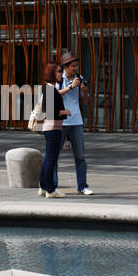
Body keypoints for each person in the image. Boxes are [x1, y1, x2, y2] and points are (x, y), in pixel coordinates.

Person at [57, 49, 93, 195]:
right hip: (60, 122)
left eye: (76, 66)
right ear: (65, 67)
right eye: (73, 66)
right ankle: (52, 185)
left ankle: (83, 186)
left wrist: (84, 91)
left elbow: (84, 102)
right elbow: (55, 95)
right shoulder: (58, 78)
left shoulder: (79, 78)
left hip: (76, 121)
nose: (75, 69)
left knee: (80, 156)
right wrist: (70, 86)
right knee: (54, 156)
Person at [37, 61, 70, 198]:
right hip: (53, 128)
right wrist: (65, 112)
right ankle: (50, 189)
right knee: (51, 159)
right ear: (51, 73)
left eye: (61, 71)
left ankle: (44, 186)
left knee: (48, 158)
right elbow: (51, 112)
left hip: (51, 127)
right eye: (58, 71)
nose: (61, 74)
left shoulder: (50, 88)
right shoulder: (50, 89)